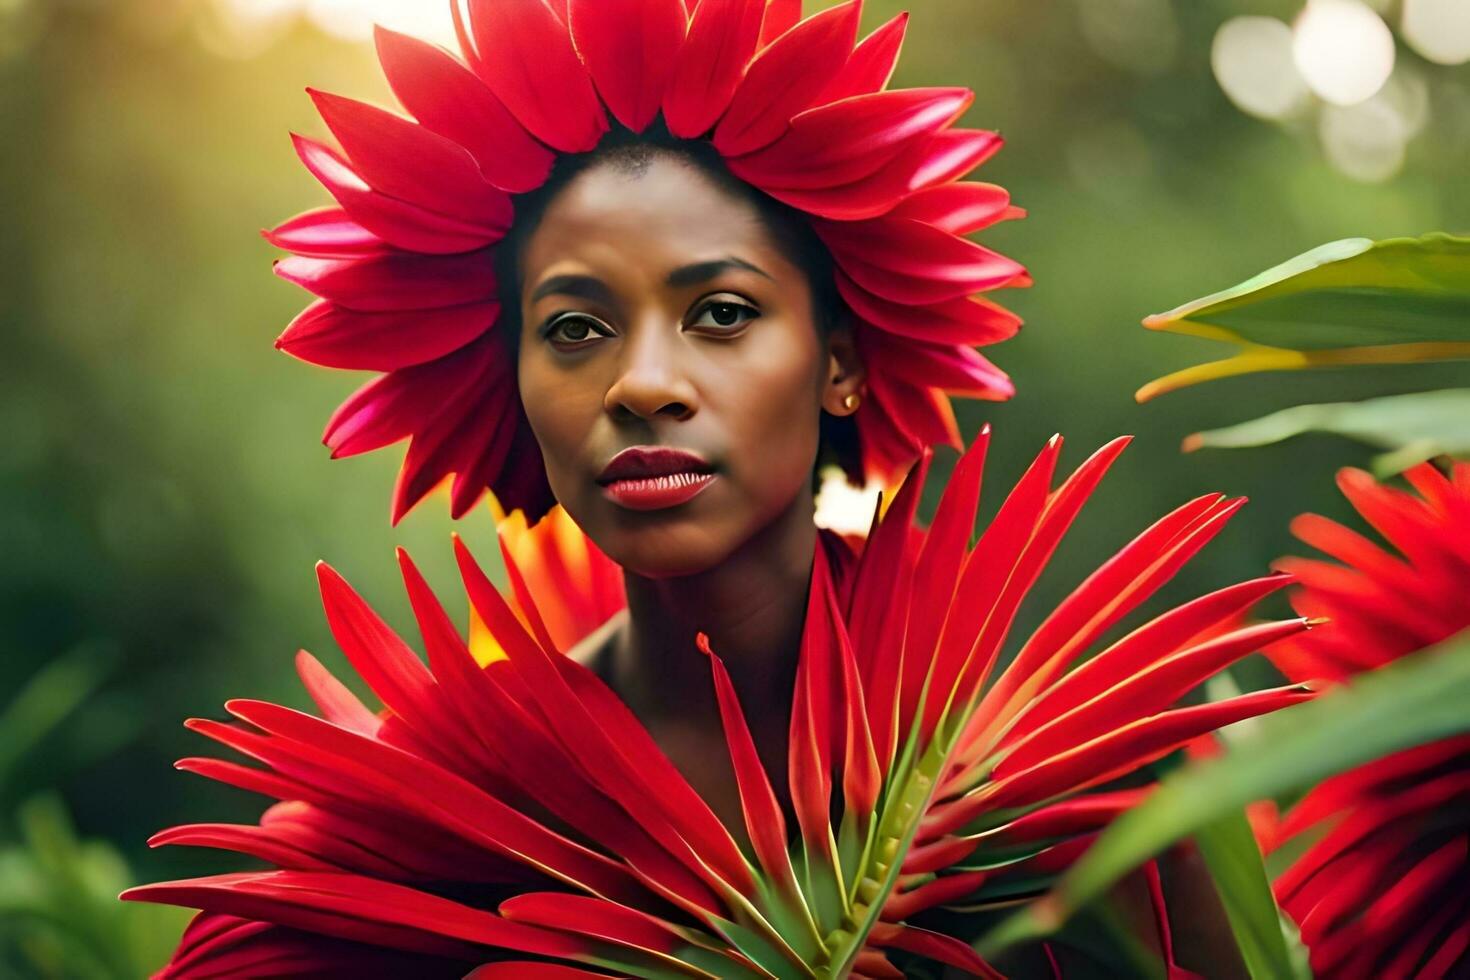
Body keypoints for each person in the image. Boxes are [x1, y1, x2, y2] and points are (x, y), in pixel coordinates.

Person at [125, 2, 1282, 975]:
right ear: (512, 382)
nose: (643, 383)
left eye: (721, 314)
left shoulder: (1086, 786)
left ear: (839, 360)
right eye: (574, 328)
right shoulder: (398, 831)